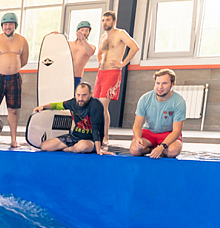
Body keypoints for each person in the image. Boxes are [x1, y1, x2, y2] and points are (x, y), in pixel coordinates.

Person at [0, 12, 29, 149]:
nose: (8, 27)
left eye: (10, 24)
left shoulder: (22, 40)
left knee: (13, 110)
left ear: (15, 25)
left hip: (14, 78)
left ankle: (14, 140)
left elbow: (24, 60)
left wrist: (11, 68)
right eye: (6, 24)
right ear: (2, 26)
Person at [94, 10, 139, 146]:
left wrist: (123, 64)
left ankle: (105, 136)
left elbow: (135, 47)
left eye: (107, 20)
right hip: (101, 73)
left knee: (102, 105)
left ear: (114, 21)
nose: (105, 23)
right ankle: (96, 134)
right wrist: (100, 61)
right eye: (103, 20)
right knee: (96, 106)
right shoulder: (103, 37)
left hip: (113, 73)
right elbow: (100, 52)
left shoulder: (121, 33)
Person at [32, 82, 111, 155]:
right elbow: (56, 105)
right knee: (45, 146)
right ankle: (73, 148)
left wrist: (98, 150)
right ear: (75, 94)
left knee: (83, 146)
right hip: (75, 137)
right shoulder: (72, 103)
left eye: (84, 95)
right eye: (78, 95)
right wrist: (42, 107)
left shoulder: (96, 105)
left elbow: (95, 130)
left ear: (90, 94)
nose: (80, 98)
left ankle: (70, 149)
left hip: (90, 140)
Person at [131, 69, 185, 158]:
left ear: (172, 84)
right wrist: (138, 138)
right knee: (134, 150)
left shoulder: (179, 101)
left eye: (164, 83)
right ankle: (152, 149)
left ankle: (160, 150)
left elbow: (176, 131)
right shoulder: (145, 99)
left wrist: (162, 146)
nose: (160, 87)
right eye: (158, 83)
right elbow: (137, 125)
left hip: (168, 133)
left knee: (173, 151)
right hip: (149, 132)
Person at [70, 21, 96, 89]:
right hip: (65, 76)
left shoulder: (91, 47)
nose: (84, 32)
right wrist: (54, 36)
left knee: (75, 98)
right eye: (82, 30)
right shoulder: (69, 44)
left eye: (86, 30)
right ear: (77, 31)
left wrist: (83, 40)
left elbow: (90, 52)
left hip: (77, 77)